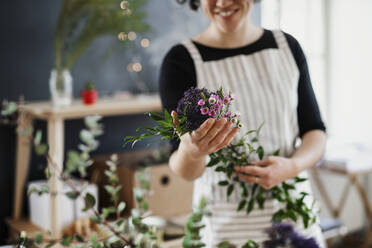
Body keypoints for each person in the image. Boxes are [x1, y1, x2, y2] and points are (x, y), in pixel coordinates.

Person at [159, 0, 327, 247]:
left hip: (293, 216)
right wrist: (192, 151)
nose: (224, 2)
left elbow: (315, 132)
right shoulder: (181, 61)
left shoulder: (287, 47)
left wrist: (291, 166)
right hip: (225, 227)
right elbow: (183, 168)